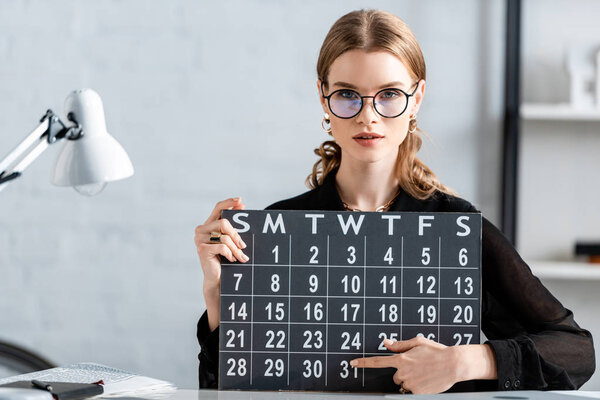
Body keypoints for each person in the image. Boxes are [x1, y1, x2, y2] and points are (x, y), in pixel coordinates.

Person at [194, 9, 595, 394]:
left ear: (417, 97)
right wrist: (216, 294)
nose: (368, 116)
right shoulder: (281, 226)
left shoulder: (456, 228)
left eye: (388, 95)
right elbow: (223, 389)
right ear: (323, 98)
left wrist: (464, 362)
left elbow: (576, 351)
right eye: (348, 95)